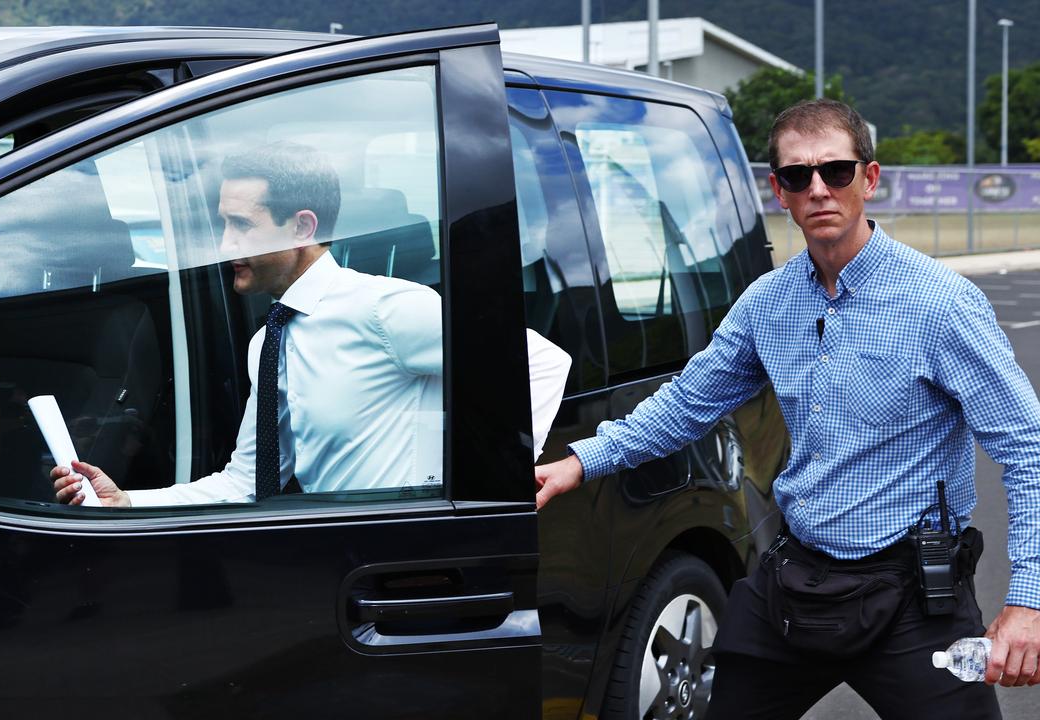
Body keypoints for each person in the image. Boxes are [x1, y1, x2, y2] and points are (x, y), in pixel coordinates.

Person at [534, 99, 1040, 717]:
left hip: (917, 601)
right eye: (799, 175)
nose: (819, 189)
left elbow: (1027, 448)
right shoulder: (766, 304)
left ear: (870, 179)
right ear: (779, 191)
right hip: (797, 587)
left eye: (837, 170)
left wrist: (1028, 601)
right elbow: (689, 404)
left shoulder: (942, 305)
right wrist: (579, 462)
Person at [54, 140, 570, 506]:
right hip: (333, 562)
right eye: (223, 224)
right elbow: (248, 484)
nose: (225, 245)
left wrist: (492, 485)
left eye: (241, 225)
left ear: (302, 226)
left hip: (405, 562)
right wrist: (126, 504)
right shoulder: (268, 341)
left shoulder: (382, 309)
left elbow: (540, 361)